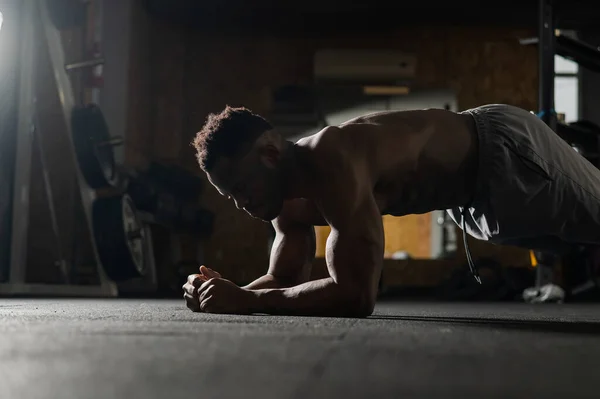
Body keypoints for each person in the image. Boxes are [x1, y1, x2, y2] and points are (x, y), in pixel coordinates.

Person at [182, 104, 600, 316]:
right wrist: (226, 293)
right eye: (229, 196)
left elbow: (356, 295)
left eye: (241, 187)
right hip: (470, 204)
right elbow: (285, 280)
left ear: (270, 154)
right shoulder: (279, 201)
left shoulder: (333, 158)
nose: (242, 204)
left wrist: (247, 302)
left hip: (502, 151)